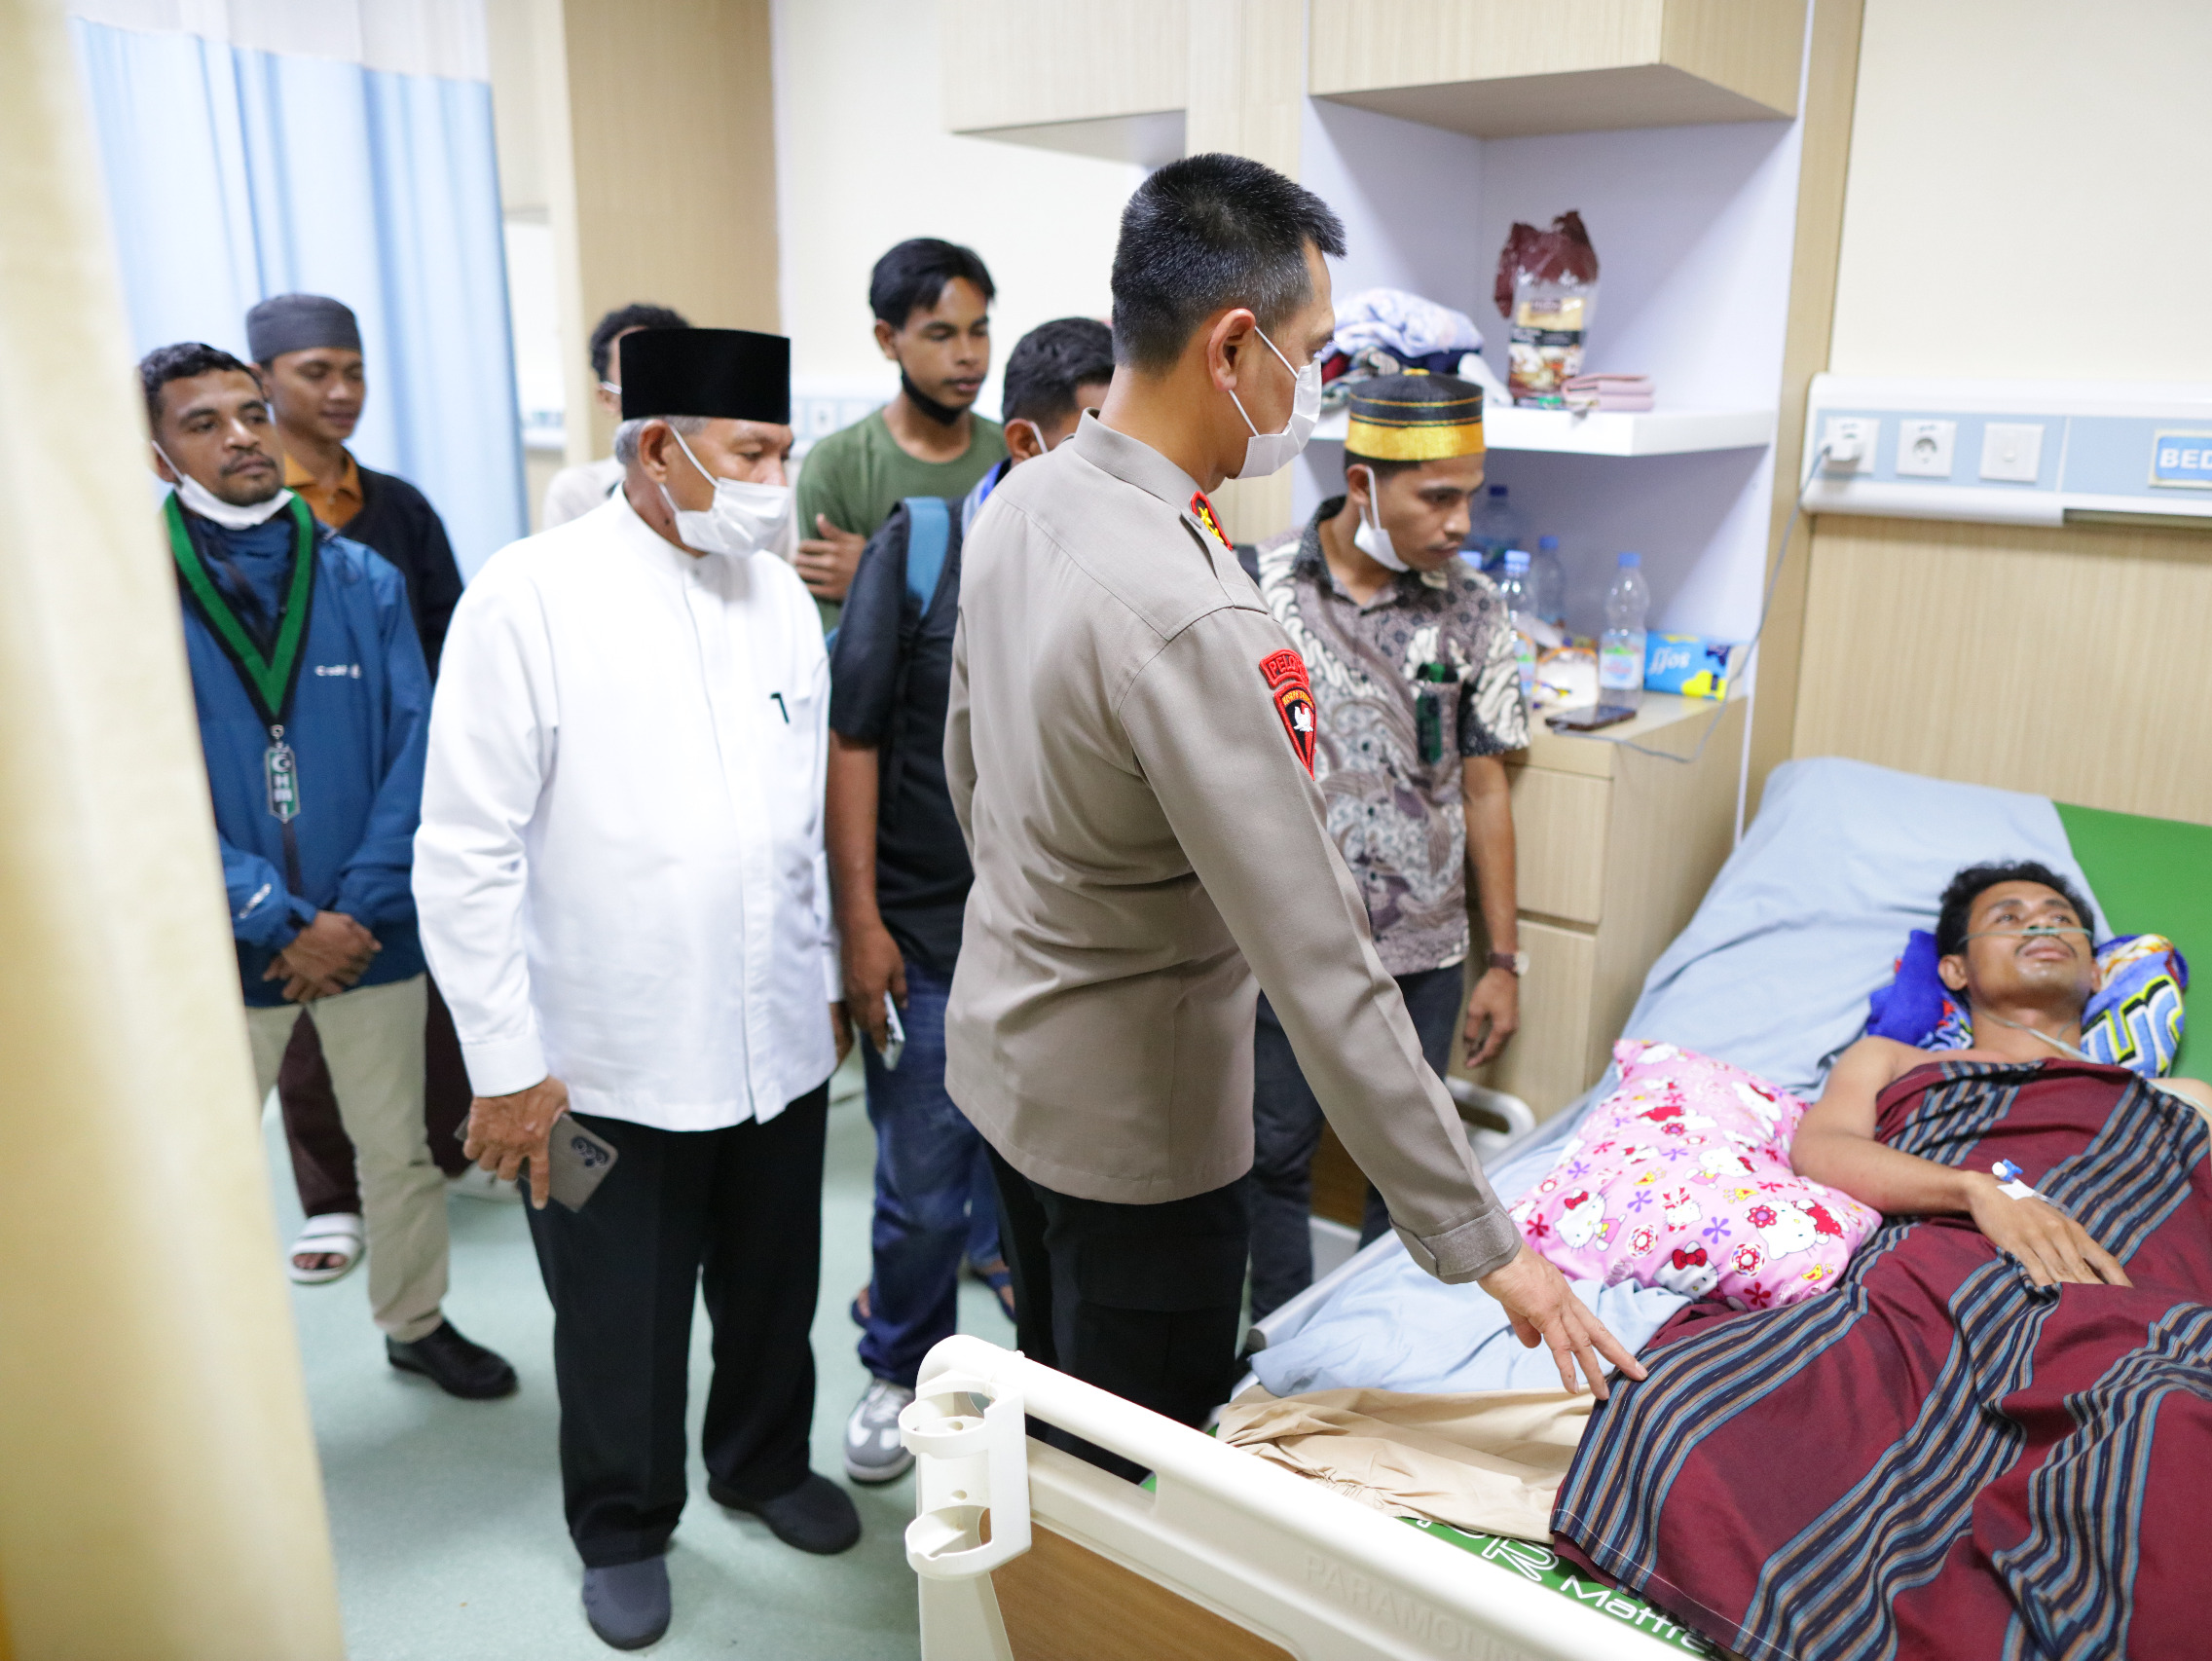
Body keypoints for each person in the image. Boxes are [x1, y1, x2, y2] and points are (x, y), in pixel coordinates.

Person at [943, 153, 1641, 1481]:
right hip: (1140, 1135)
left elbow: (971, 774)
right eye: (1310, 354)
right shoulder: (1196, 612)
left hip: (1007, 1063)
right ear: (1231, 347)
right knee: (1138, 1469)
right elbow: (1324, 961)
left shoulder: (1024, 495)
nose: (1308, 388)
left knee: (1052, 1391)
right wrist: (1488, 1244)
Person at [1557, 862, 2212, 1661]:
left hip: (2124, 1319)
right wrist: (1976, 1193)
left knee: (2169, 1436)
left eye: (2062, 919)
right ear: (1956, 970)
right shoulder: (1896, 1063)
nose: (2043, 924)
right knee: (1679, 1403)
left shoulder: (2185, 1103)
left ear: (2095, 967)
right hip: (1925, 1291)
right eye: (2010, 916)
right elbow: (1824, 1152)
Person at [415, 327, 857, 1652]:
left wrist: (826, 982)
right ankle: (622, 1520)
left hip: (773, 1041)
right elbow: (465, 851)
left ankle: (760, 1460)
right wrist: (506, 1067)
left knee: (773, 1287)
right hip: (598, 1060)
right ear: (658, 448)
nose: (775, 484)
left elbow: (794, 822)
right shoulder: (530, 595)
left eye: (783, 454)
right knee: (620, 1314)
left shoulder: (777, 597)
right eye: (752, 455)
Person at [142, 341, 515, 1401]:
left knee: (399, 1151)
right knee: (202, 1172)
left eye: (249, 412)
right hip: (220, 937)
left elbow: (419, 749)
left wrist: (351, 911)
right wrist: (270, 912)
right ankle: (203, 1377)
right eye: (202, 423)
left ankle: (415, 1320)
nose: (240, 437)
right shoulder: (128, 597)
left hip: (369, 928)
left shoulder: (362, 577)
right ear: (158, 453)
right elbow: (137, 781)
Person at [830, 316, 1116, 1486]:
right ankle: (897, 1363)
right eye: (1096, 434)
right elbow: (853, 737)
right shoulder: (925, 545)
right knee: (922, 1189)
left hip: (1065, 945)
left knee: (1051, 1184)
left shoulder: (1123, 563)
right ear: (1028, 439)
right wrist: (860, 924)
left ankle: (1041, 1385)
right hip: (929, 934)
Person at [1238, 373, 1529, 1320]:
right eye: (1436, 497)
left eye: (1469, 495)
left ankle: (1373, 1342)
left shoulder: (1473, 610)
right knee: (1271, 1150)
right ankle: (1280, 1344)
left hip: (1423, 947)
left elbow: (1485, 786)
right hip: (1286, 939)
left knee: (1408, 1170)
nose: (1460, 522)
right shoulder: (1254, 586)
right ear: (1361, 485)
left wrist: (1503, 962)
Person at [244, 292, 498, 1284]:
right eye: (317, 372)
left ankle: (442, 1151)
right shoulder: (249, 519)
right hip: (283, 804)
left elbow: (451, 643)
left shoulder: (396, 507)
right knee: (303, 1001)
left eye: (353, 370)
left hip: (402, 785)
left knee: (415, 986)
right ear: (264, 381)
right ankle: (330, 1196)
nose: (343, 390)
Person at [792, 239, 1007, 633]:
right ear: (888, 339)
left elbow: (1023, 609)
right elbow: (842, 646)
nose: (968, 354)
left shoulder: (1014, 455)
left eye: (978, 332)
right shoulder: (836, 466)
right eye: (941, 335)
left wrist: (879, 575)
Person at [540, 303, 688, 529]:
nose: (660, 389)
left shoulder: (729, 484)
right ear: (608, 398)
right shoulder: (579, 493)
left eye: (673, 373)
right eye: (640, 375)